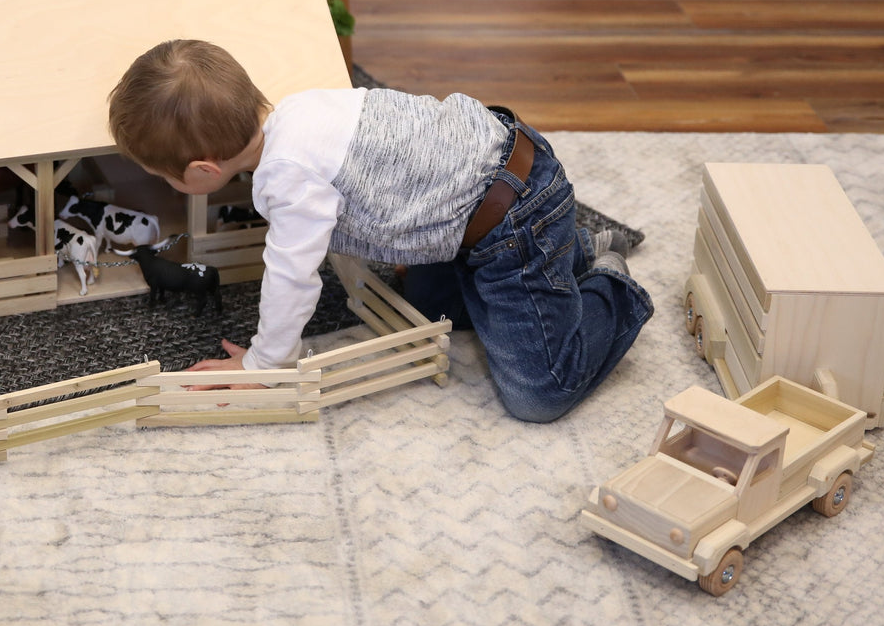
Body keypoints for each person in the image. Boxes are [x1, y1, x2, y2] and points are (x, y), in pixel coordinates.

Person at [107, 38, 653, 422]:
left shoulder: (286, 178)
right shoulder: (299, 109)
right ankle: (569, 250)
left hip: (514, 218)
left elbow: (291, 278)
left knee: (541, 393)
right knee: (435, 312)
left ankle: (610, 282)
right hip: (492, 181)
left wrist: (262, 363)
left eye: (162, 178)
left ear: (202, 171)